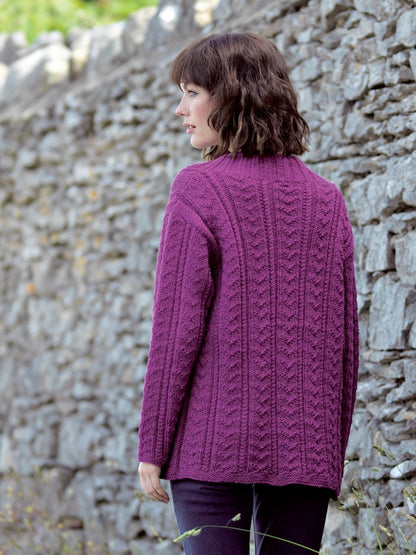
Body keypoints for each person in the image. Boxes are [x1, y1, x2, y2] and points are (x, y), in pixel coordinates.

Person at [137, 32, 359, 555]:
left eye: (192, 93)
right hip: (305, 452)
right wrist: (328, 454)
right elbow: (345, 347)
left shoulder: (198, 189)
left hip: (209, 449)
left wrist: (153, 446)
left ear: (232, 97)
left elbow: (176, 330)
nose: (180, 110)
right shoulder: (326, 200)